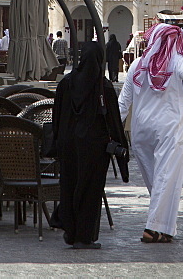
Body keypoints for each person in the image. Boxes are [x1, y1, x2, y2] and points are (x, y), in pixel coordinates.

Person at [118, 23, 183, 244]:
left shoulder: (137, 64)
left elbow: (123, 103)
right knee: (167, 177)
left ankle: (165, 228)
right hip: (169, 127)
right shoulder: (178, 61)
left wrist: (113, 130)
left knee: (157, 179)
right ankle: (152, 228)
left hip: (140, 129)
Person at [51, 42, 128, 249]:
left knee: (69, 185)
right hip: (95, 148)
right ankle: (84, 236)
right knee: (91, 190)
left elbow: (56, 117)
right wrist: (122, 151)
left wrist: (58, 142)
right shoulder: (104, 87)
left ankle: (70, 229)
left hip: (68, 146)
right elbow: (113, 121)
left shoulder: (65, 84)